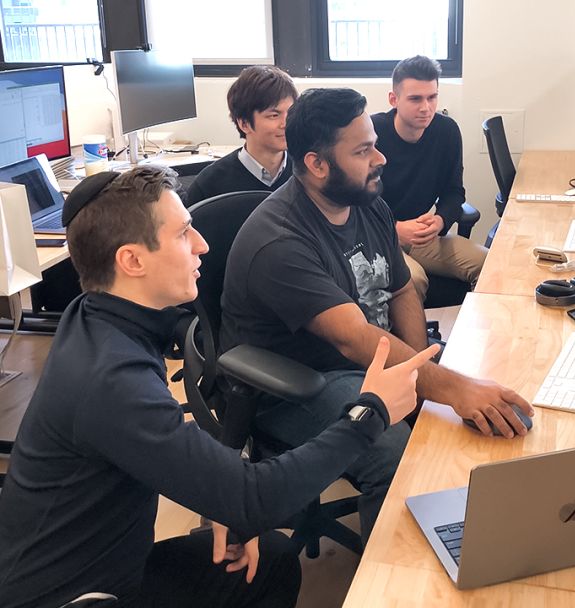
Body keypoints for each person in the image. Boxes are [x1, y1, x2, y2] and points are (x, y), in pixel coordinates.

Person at [0, 166, 437, 608]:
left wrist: (221, 492)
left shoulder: (97, 315)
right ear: (132, 261)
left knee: (270, 561)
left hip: (112, 562)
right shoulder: (110, 379)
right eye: (183, 233)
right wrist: (372, 412)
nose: (202, 245)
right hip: (72, 595)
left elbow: (201, 476)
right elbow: (255, 498)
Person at [220, 88, 534, 542]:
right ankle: (390, 577)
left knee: (458, 401)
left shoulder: (367, 202)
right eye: (364, 150)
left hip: (361, 363)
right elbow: (351, 339)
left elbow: (401, 286)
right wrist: (448, 389)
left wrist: (424, 371)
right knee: (392, 449)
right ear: (317, 164)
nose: (381, 158)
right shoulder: (281, 241)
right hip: (295, 382)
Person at [371, 56, 487, 300]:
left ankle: (477, 335)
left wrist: (441, 220)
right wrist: (394, 229)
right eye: (415, 99)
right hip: (378, 237)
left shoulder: (447, 131)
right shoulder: (372, 133)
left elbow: (454, 191)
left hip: (423, 235)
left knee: (491, 265)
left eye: (432, 97)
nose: (426, 107)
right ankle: (415, 340)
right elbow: (352, 203)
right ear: (394, 99)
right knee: (415, 279)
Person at [185, 65, 297, 206]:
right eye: (274, 115)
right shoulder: (209, 185)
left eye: (291, 112)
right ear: (244, 124)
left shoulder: (308, 171)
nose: (286, 123)